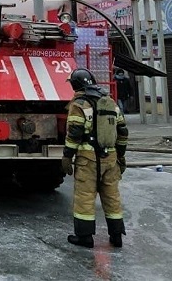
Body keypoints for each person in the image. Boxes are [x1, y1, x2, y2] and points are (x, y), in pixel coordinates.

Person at [61, 68, 129, 248]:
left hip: (88, 159)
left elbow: (74, 133)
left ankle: (84, 237)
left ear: (76, 85)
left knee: (85, 196)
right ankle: (116, 236)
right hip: (111, 158)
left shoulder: (79, 104)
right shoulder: (110, 102)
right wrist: (120, 156)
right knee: (112, 196)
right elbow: (122, 131)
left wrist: (67, 157)